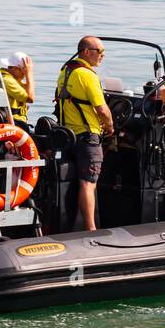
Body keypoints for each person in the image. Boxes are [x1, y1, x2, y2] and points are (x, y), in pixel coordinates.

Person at [55, 37, 115, 231]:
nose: (103, 56)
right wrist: (110, 126)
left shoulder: (65, 71)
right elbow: (102, 110)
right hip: (87, 137)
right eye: (100, 51)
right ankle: (90, 229)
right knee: (88, 183)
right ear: (86, 51)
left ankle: (70, 226)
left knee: (74, 182)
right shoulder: (87, 75)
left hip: (68, 138)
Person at [0, 52, 36, 196]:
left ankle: (27, 192)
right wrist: (30, 74)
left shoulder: (13, 79)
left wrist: (26, 74)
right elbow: (30, 97)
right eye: (23, 71)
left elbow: (28, 91)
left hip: (18, 124)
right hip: (14, 125)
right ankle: (12, 194)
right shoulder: (7, 80)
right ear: (15, 68)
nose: (24, 74)